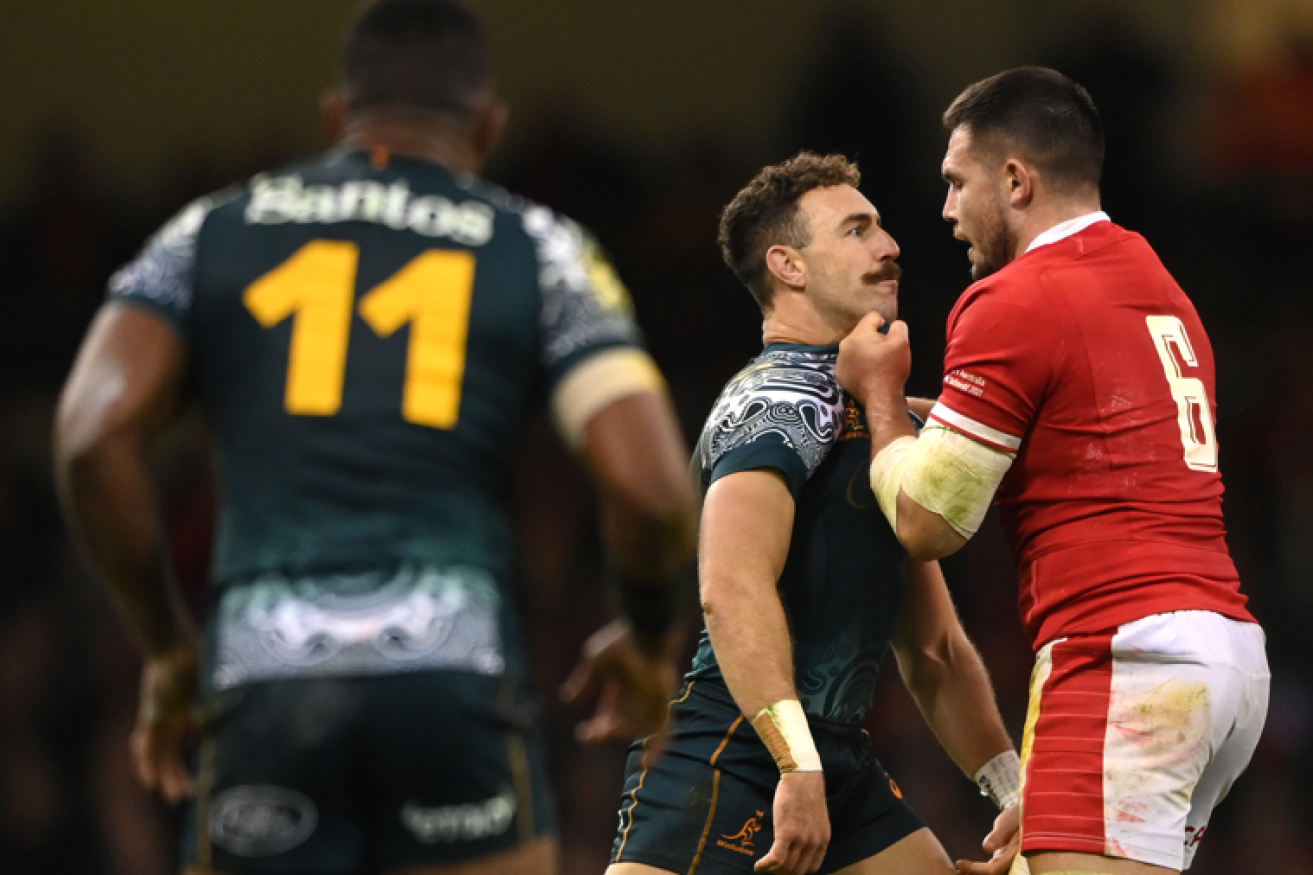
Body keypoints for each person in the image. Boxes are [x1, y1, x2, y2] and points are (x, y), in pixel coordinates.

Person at [52, 2, 698, 874]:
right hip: (451, 660)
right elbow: (653, 491)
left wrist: (168, 646)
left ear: (333, 117)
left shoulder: (205, 233)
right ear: (486, 125)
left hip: (263, 664)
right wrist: (650, 636)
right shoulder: (539, 247)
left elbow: (91, 440)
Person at [835, 67, 1270, 875]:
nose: (946, 211)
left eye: (956, 183)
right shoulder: (1153, 282)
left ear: (1014, 179)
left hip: (1122, 654)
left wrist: (879, 396)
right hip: (1221, 655)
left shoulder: (1014, 297)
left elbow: (930, 521)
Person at [606, 152, 1019, 875]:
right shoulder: (770, 405)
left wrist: (1012, 792)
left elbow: (932, 650)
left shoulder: (875, 415)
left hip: (834, 760)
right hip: (732, 749)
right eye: (857, 231)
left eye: (882, 230)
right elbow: (729, 588)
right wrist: (795, 766)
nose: (889, 247)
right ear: (787, 267)